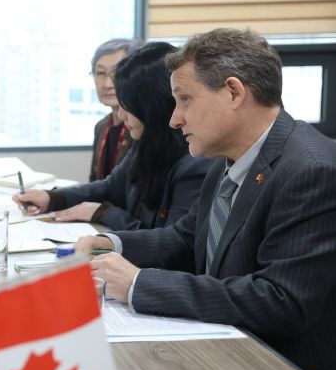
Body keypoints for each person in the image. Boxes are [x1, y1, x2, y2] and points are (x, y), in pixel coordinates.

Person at [82, 28, 336, 370]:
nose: (174, 119)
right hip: (225, 348)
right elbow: (185, 238)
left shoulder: (311, 169)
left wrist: (139, 283)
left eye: (185, 99)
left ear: (233, 92)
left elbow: (281, 301)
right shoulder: (225, 160)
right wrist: (110, 245)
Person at [13, 43, 211, 231]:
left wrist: (104, 213)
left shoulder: (194, 162)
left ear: (152, 106)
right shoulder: (145, 144)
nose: (122, 115)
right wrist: (52, 198)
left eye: (127, 106)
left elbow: (171, 242)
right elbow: (111, 187)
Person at [88, 38, 142, 182]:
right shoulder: (101, 126)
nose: (107, 84)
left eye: (116, 73)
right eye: (101, 73)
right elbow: (94, 181)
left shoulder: (142, 126)